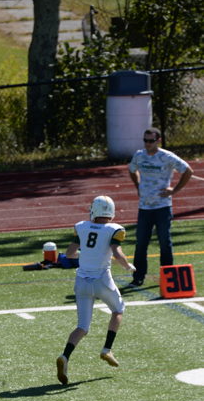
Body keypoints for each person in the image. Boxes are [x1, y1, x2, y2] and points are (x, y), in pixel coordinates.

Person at [56, 195, 135, 386]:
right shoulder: (115, 229)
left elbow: (69, 253)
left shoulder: (82, 226)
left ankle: (65, 356)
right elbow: (117, 253)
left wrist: (86, 254)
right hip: (102, 280)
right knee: (118, 310)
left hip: (82, 281)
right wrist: (127, 266)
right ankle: (107, 349)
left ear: (94, 210)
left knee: (82, 327)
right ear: (111, 212)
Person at [128, 127, 193, 287]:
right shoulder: (139, 155)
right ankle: (138, 277)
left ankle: (168, 277)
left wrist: (174, 190)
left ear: (158, 141)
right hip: (144, 208)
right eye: (145, 140)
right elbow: (132, 170)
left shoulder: (167, 156)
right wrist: (138, 185)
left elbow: (188, 171)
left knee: (165, 242)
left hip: (162, 207)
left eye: (151, 141)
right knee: (141, 243)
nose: (147, 144)